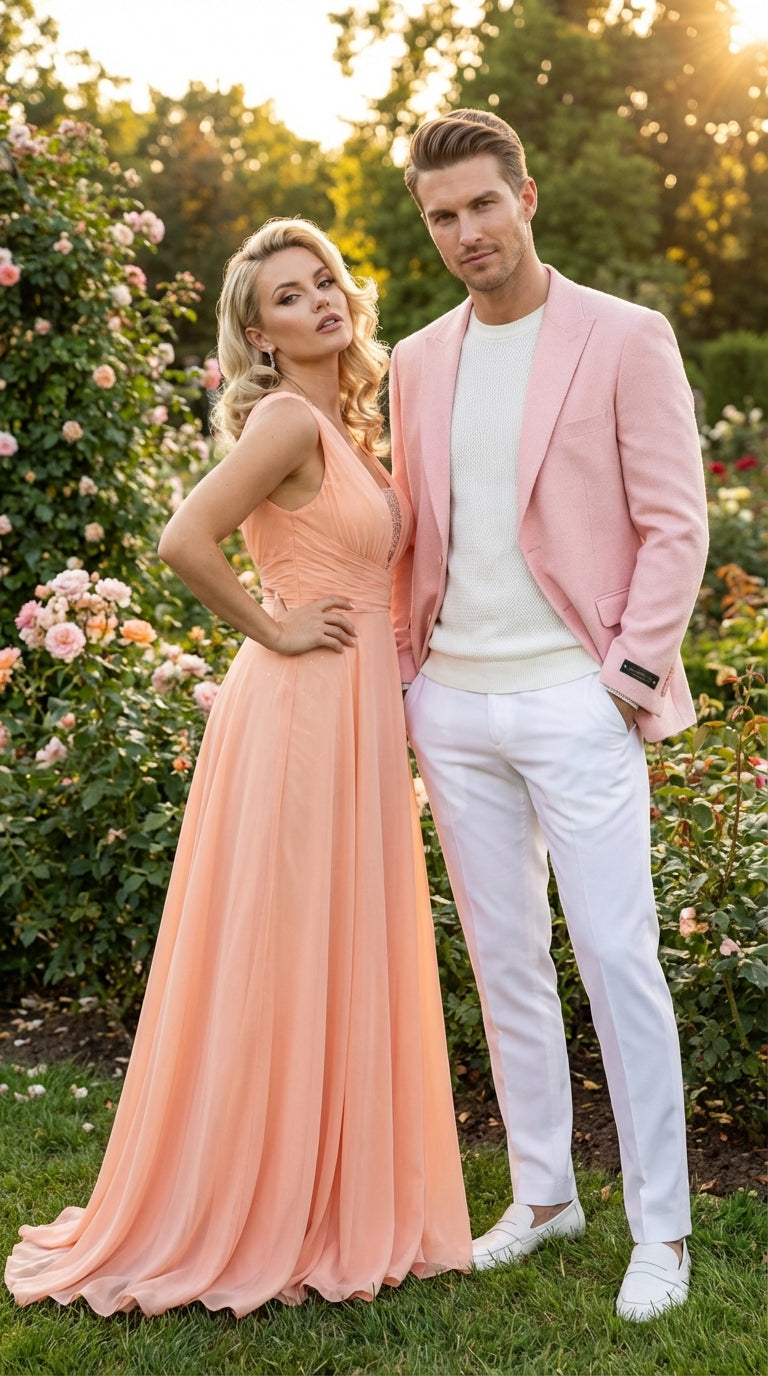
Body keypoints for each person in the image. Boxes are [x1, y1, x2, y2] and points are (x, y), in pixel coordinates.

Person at [5, 218, 472, 1316]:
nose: (319, 301)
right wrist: (274, 627)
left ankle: (321, 1185)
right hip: (300, 707)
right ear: (259, 335)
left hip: (355, 711)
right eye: (288, 296)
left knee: (334, 937)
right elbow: (183, 538)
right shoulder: (285, 418)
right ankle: (255, 1197)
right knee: (285, 940)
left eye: (325, 281)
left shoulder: (346, 421)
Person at [389, 110, 709, 1322]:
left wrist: (626, 679)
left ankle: (662, 1229)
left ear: (527, 197)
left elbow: (677, 521)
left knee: (619, 956)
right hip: (454, 702)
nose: (465, 230)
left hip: (579, 696)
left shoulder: (625, 335)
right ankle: (543, 1194)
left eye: (482, 203)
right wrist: (409, 682)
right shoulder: (417, 359)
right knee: (504, 956)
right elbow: (415, 535)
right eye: (442, 215)